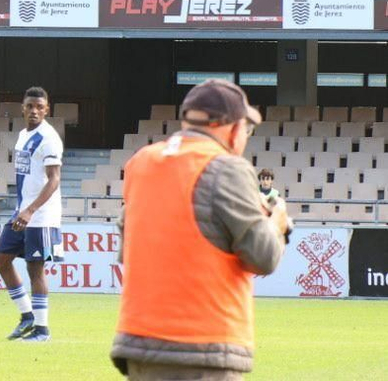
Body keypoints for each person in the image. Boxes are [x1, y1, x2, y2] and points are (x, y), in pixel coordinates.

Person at [112, 79, 291, 380]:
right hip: (203, 349)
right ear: (233, 129)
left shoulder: (142, 162)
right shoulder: (226, 167)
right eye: (246, 129)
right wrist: (277, 223)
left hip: (139, 345)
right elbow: (264, 257)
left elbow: (129, 250)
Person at [0, 87, 63, 344]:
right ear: (22, 108)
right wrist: (23, 209)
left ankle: (42, 330)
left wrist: (31, 210)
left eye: (39, 107)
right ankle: (27, 316)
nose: (34, 111)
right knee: (0, 259)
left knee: (36, 270)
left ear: (47, 110)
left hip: (41, 216)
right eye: (30, 106)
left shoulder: (49, 138)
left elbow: (54, 180)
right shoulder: (23, 135)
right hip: (21, 212)